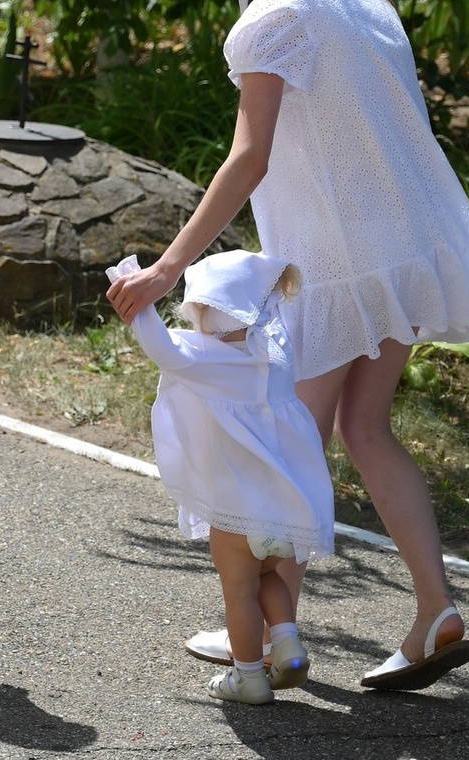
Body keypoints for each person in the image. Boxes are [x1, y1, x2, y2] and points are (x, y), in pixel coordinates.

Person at [107, 0, 469, 692]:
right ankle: (434, 608)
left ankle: (260, 633)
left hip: (328, 266)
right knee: (363, 432)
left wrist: (167, 268)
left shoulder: (270, 17)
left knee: (284, 447)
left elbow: (248, 157)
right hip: (404, 252)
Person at [106, 250, 334, 704]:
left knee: (239, 592)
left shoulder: (207, 359)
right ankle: (286, 640)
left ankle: (248, 677)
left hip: (235, 511)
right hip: (282, 503)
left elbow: (160, 347)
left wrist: (133, 284)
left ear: (211, 310)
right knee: (269, 576)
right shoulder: (277, 353)